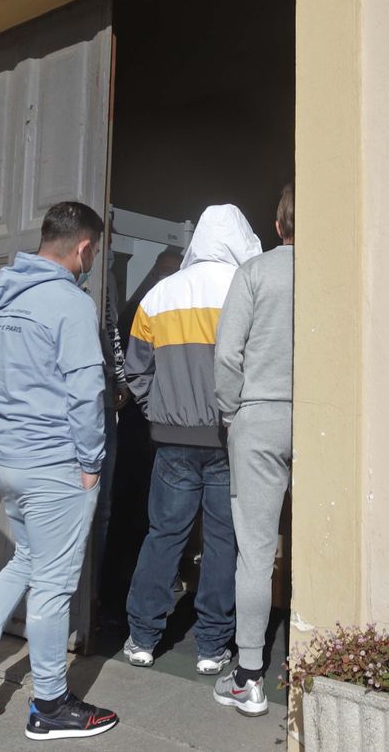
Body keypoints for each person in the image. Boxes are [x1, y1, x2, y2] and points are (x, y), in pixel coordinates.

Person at [0, 201, 121, 741]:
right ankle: (51, 704)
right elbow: (87, 389)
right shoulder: (69, 303)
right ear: (84, 248)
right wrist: (91, 461)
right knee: (54, 587)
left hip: (7, 460)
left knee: (27, 562)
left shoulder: (1, 295)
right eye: (93, 253)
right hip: (53, 464)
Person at [122, 204, 263, 675]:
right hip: (228, 440)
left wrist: (157, 413)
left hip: (171, 440)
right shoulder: (246, 290)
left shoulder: (159, 296)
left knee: (164, 534)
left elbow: (136, 370)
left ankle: (142, 637)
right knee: (224, 540)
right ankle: (211, 646)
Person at [210, 183, 295, 717]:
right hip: (319, 416)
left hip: (259, 418)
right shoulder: (332, 272)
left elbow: (227, 355)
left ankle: (247, 676)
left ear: (279, 224)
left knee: (256, 553)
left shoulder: (256, 272)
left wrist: (231, 411)